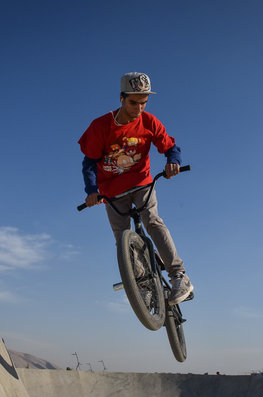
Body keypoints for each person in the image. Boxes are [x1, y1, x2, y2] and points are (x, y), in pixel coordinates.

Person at [78, 72, 194, 306]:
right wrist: (91, 190)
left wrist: (174, 163)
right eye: (133, 102)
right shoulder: (101, 126)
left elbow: (171, 147)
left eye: (144, 103)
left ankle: (179, 276)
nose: (139, 109)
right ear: (121, 98)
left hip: (142, 183)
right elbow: (89, 162)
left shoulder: (150, 122)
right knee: (122, 238)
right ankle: (143, 283)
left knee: (152, 220)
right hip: (111, 192)